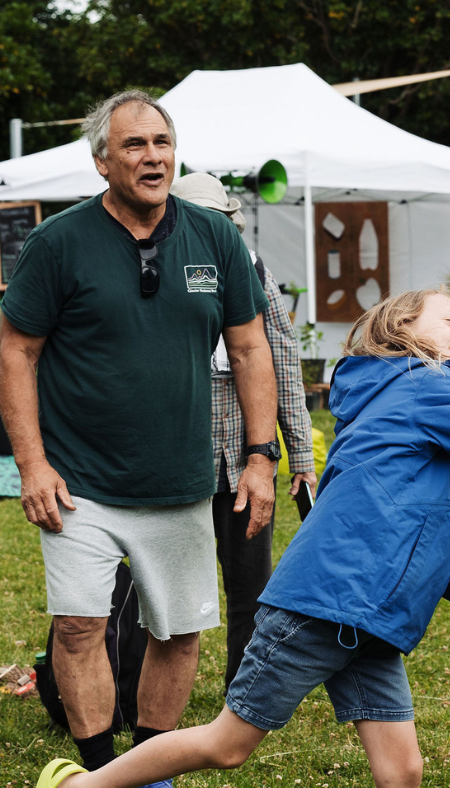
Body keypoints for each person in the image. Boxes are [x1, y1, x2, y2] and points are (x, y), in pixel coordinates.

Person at [36, 289, 450, 788]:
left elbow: (405, 526)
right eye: (449, 320)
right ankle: (87, 783)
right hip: (320, 609)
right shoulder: (424, 392)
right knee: (226, 745)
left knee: (401, 773)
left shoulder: (406, 408)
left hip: (371, 623)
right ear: (403, 331)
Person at [0, 90, 278, 784]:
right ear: (102, 162)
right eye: (133, 144)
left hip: (181, 480)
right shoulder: (58, 243)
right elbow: (15, 354)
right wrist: (31, 464)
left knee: (179, 634)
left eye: (161, 142)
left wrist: (261, 456)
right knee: (77, 627)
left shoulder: (215, 237)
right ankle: (98, 771)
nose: (152, 156)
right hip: (77, 483)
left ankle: (150, 772)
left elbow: (250, 349)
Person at [169, 172, 318, 691]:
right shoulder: (149, 270)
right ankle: (127, 687)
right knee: (158, 587)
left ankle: (246, 692)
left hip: (244, 462)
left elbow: (282, 360)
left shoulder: (251, 268)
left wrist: (301, 456)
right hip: (171, 465)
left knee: (251, 584)